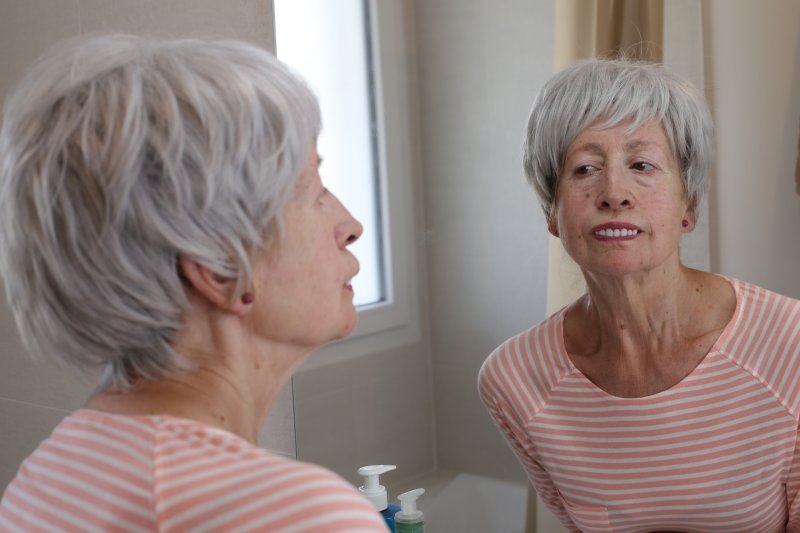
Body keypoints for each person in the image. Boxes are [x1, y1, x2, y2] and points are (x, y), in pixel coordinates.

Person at [0, 34, 389, 532]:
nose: (351, 224)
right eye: (313, 192)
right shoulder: (297, 517)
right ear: (222, 267)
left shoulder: (50, 473)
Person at [478, 57, 800, 532]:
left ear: (689, 202)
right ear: (552, 211)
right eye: (585, 169)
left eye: (642, 164)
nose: (614, 193)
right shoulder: (514, 381)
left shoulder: (789, 345)